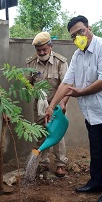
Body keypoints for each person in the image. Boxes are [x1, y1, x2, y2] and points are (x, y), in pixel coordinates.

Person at [45, 15, 102, 202]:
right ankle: (95, 183)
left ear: (89, 28)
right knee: (97, 149)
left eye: (80, 31)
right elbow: (67, 82)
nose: (78, 37)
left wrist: (81, 93)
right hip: (92, 112)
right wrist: (52, 106)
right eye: (74, 35)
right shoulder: (78, 55)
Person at [26, 32, 69, 178]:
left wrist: (62, 104)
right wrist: (35, 93)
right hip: (39, 104)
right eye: (38, 50)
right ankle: (42, 164)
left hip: (57, 105)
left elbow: (67, 85)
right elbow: (27, 83)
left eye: (44, 49)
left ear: (51, 46)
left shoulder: (60, 62)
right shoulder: (31, 63)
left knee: (57, 134)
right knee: (40, 133)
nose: (42, 52)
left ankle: (60, 164)